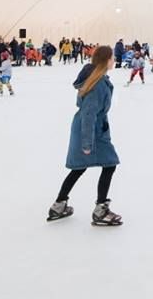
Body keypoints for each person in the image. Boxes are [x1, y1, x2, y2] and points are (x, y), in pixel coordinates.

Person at [47, 46, 122, 226]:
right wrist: (87, 143)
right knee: (109, 164)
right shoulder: (97, 84)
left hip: (91, 128)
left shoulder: (97, 79)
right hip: (90, 130)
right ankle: (100, 210)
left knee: (80, 167)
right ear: (106, 61)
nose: (115, 61)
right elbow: (89, 114)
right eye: (112, 58)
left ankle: (59, 205)